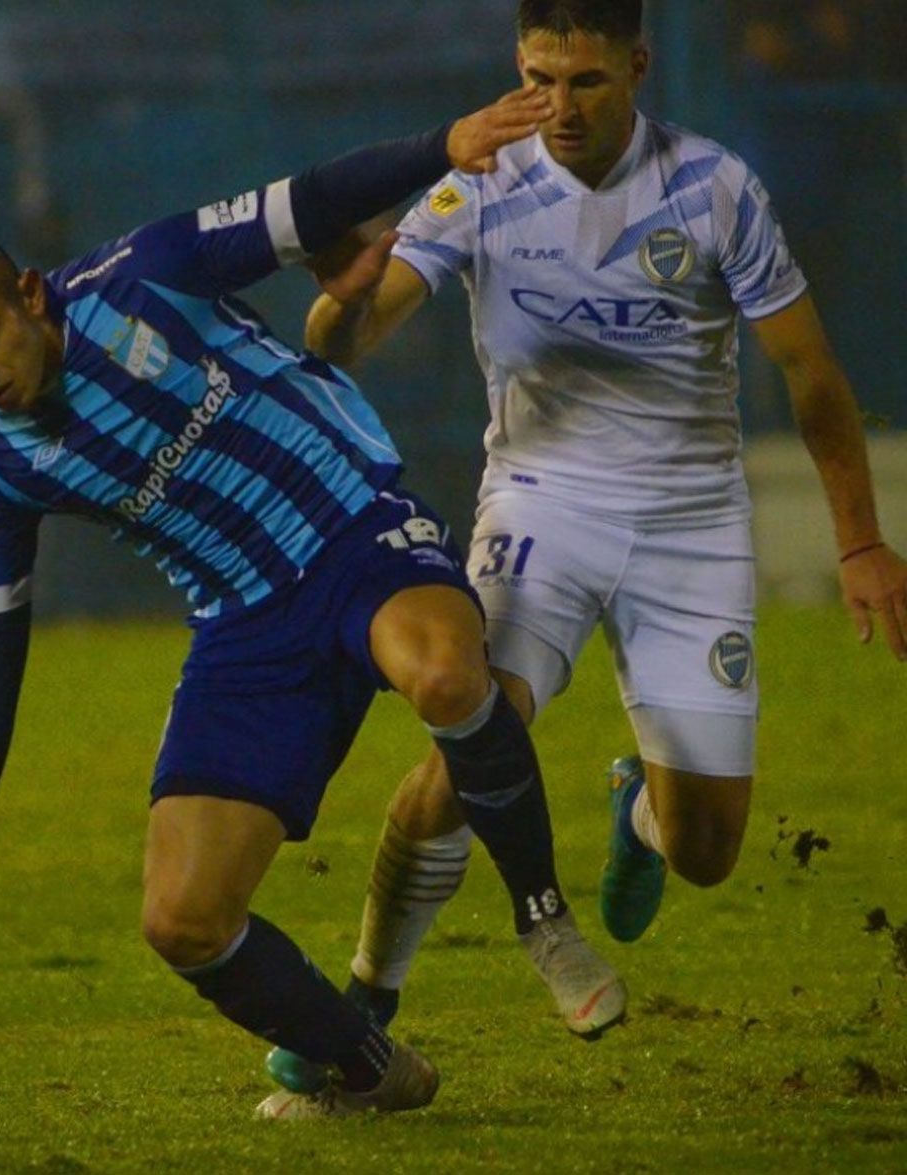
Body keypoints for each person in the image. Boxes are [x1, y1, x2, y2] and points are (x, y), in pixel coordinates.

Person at [0, 87, 621, 1121]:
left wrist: (440, 147)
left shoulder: (144, 276)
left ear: (29, 294)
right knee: (181, 919)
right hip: (243, 629)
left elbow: (306, 203)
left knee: (449, 674)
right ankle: (366, 1065)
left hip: (350, 528)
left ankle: (543, 917)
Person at [265, 0, 907, 1095]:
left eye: (586, 84)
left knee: (706, 850)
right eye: (537, 78)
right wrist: (341, 308)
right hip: (540, 509)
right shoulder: (481, 181)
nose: (557, 107)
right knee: (468, 733)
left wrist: (861, 541)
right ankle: (363, 1001)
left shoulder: (713, 187)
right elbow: (358, 332)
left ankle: (640, 812)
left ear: (638, 69)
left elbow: (809, 371)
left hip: (692, 522)